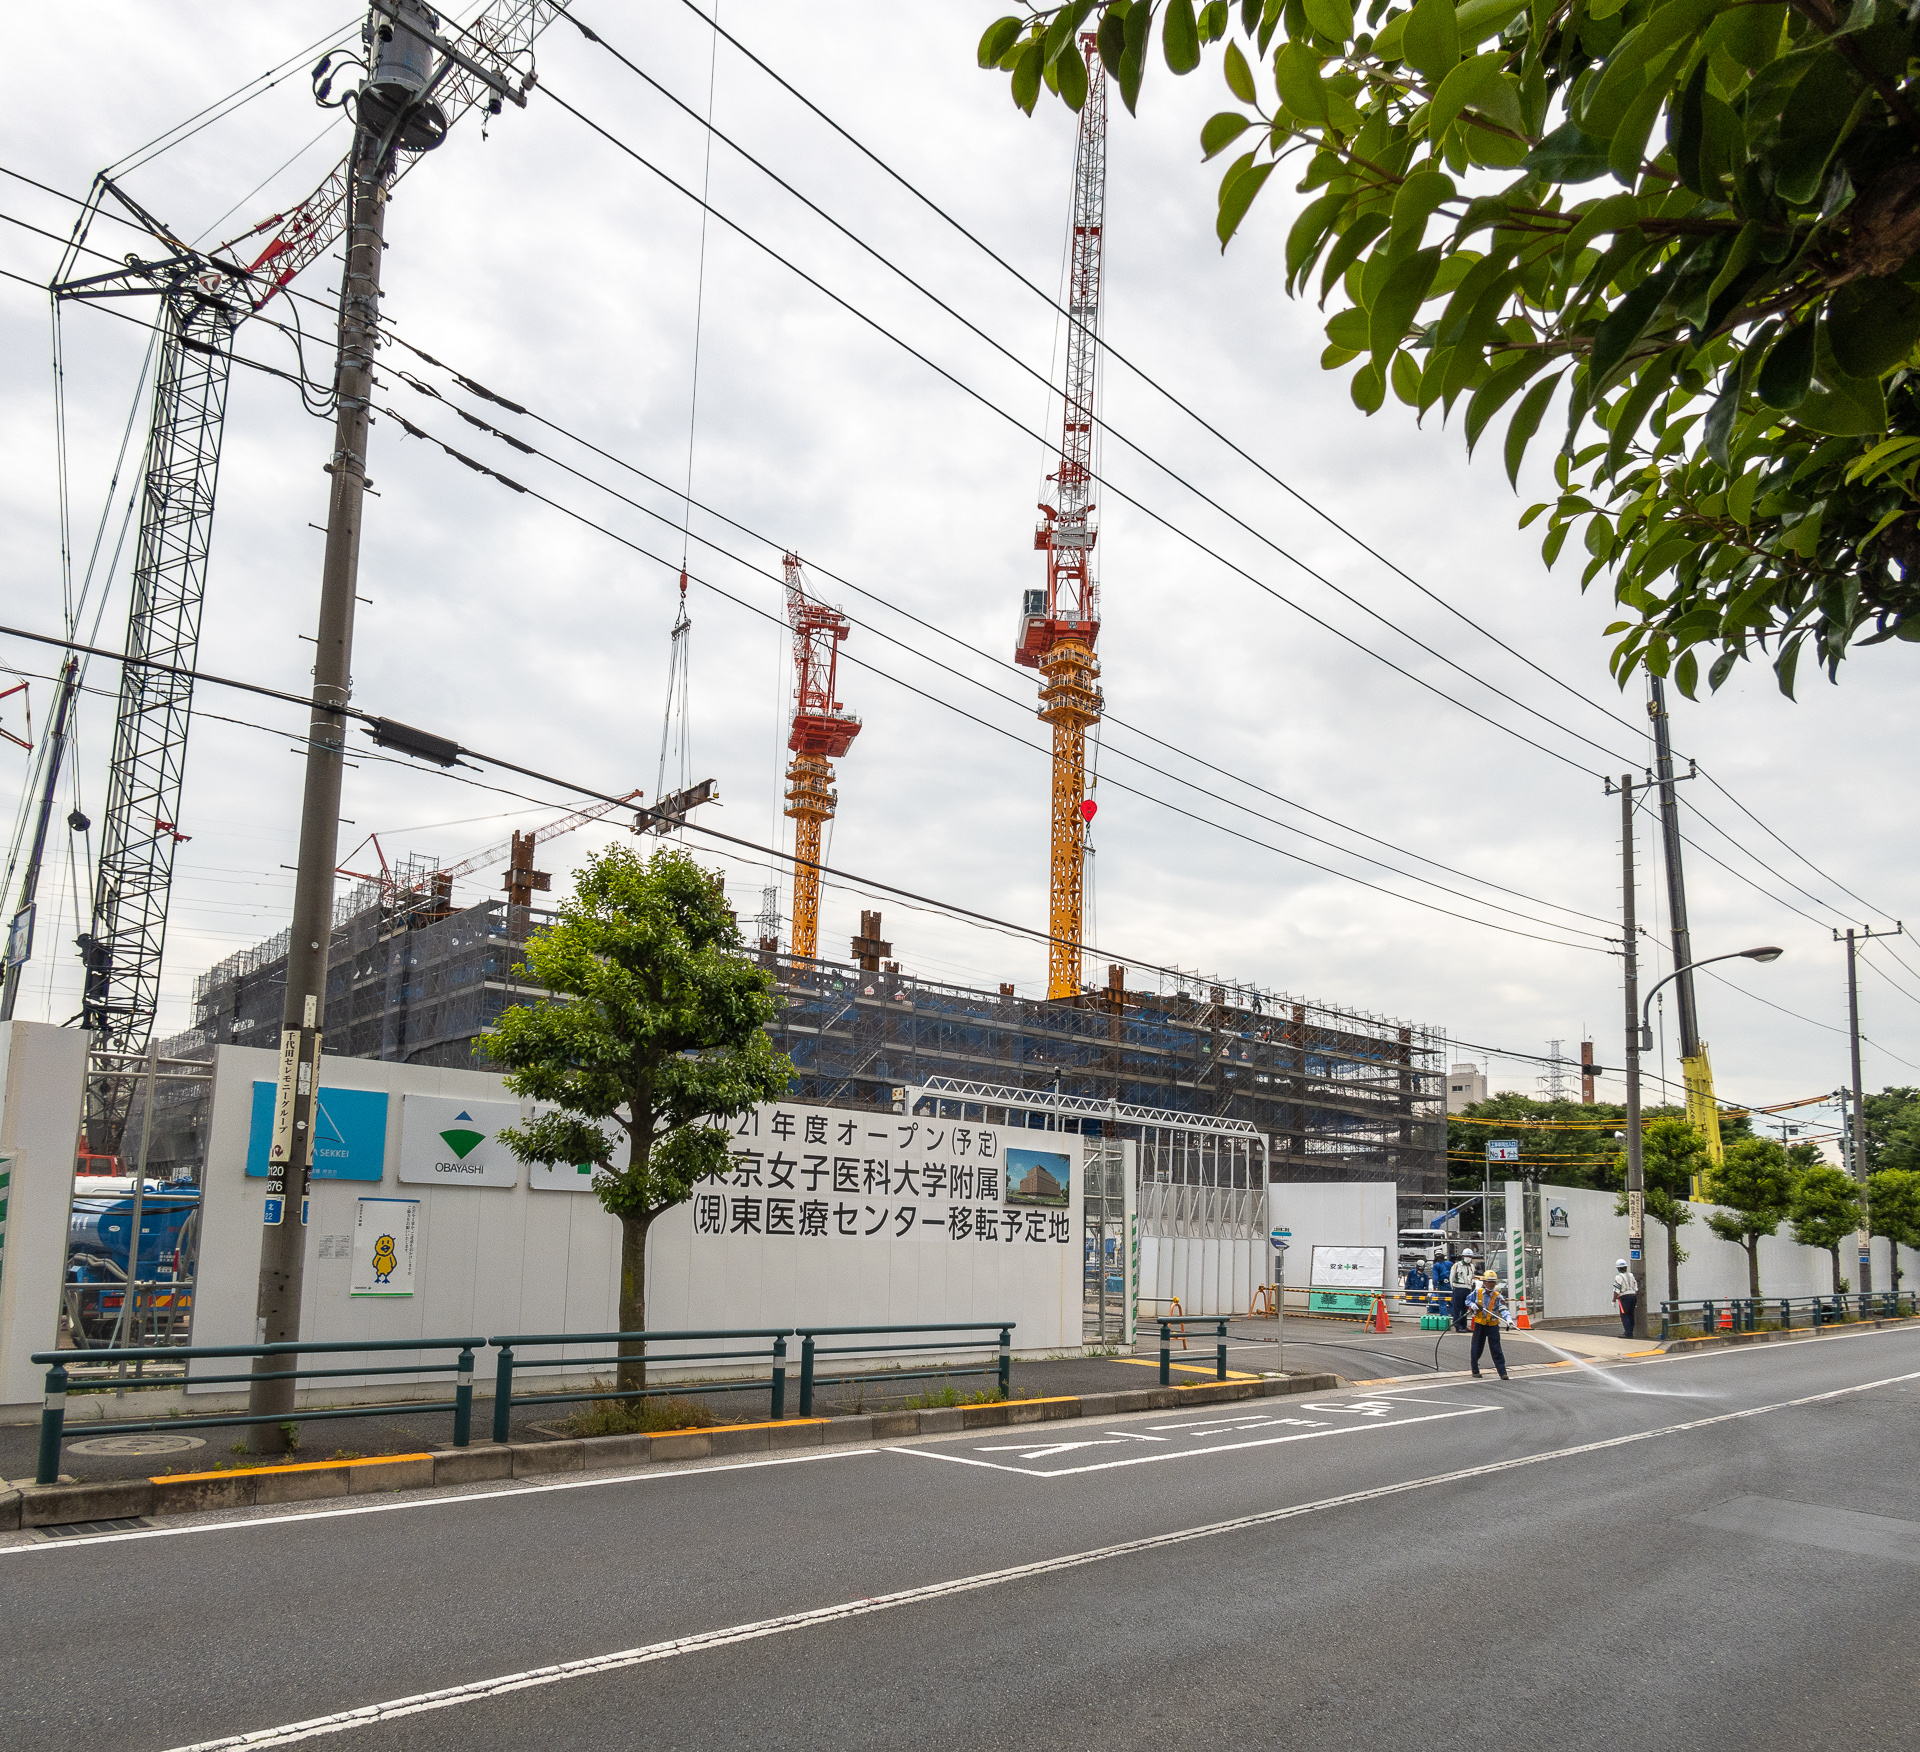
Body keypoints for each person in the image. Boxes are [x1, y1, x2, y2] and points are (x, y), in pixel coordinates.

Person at [1467, 1268, 1512, 1380]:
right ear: (1484, 1282)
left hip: (1492, 1326)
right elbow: (1467, 1300)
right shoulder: (1477, 1293)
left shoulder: (1498, 1296)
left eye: (1493, 1282)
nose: (1491, 1284)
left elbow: (1503, 1309)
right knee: (1476, 1348)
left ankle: (1502, 1372)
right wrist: (1473, 1306)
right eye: (1489, 1282)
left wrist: (1509, 1319)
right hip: (1480, 1325)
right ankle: (1475, 1370)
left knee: (1496, 1349)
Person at [1450, 1248, 1476, 1331]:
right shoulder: (1457, 1265)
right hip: (1458, 1288)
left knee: (1465, 1308)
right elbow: (1451, 1277)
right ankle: (1457, 1325)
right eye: (1467, 1256)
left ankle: (1464, 1325)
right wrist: (1454, 1288)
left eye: (1470, 1256)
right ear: (1463, 1256)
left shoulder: (1471, 1266)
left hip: (1468, 1288)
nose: (1468, 1258)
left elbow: (1472, 1277)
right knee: (1457, 1308)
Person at [1612, 1259, 1639, 1338]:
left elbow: (1616, 1290)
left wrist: (1613, 1300)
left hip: (1624, 1297)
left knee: (1625, 1315)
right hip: (1633, 1296)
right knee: (1631, 1314)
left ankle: (1627, 1333)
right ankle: (1631, 1331)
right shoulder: (1631, 1275)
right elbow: (1636, 1288)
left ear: (1618, 1268)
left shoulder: (1618, 1277)